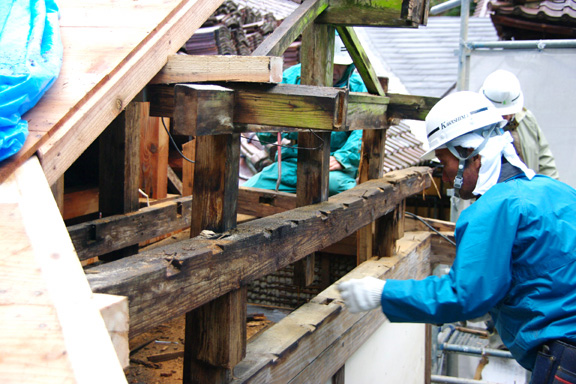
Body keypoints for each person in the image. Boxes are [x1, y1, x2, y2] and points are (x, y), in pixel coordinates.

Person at [338, 91, 576, 383]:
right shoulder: (557, 190)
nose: (445, 176)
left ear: (471, 155)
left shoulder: (493, 209)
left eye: (444, 160)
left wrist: (381, 293)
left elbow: (464, 296)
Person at [242, 36, 368, 196]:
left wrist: (344, 158)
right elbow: (265, 128)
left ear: (350, 66)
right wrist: (271, 129)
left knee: (346, 195)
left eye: (341, 66)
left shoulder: (357, 87)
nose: (335, 71)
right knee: (246, 192)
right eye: (332, 64)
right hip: (293, 162)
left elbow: (363, 131)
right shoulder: (292, 78)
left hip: (330, 166)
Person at [480, 69, 559, 179]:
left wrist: (551, 192)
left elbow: (545, 161)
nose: (506, 117)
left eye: (509, 112)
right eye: (502, 113)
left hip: (529, 193)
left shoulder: (527, 119)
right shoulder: (475, 127)